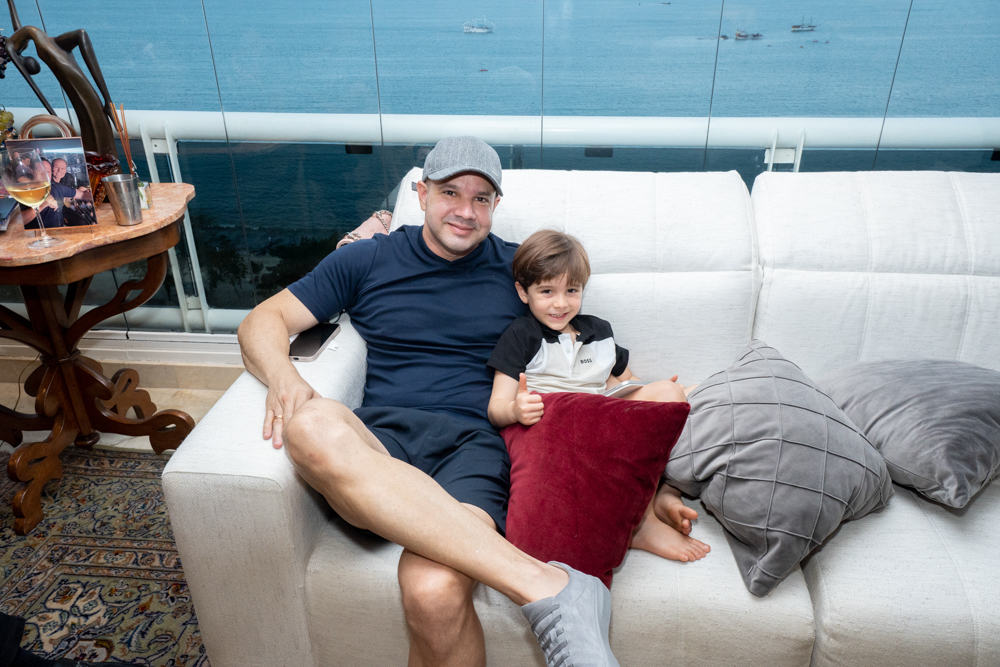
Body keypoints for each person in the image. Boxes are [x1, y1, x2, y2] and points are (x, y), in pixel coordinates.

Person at [237, 136, 619, 667]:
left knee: (433, 591)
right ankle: (548, 586)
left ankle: (557, 591)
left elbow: (585, 355)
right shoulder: (368, 259)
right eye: (450, 193)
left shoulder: (522, 274)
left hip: (475, 447)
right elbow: (263, 320)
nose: (465, 211)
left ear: (496, 205)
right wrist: (283, 377)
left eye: (481, 198)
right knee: (309, 425)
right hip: (384, 440)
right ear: (420, 194)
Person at [486, 229, 711, 563]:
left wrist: (661, 390)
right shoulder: (521, 335)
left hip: (602, 420)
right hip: (555, 427)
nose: (561, 303)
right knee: (666, 396)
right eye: (547, 291)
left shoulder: (599, 331)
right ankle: (642, 521)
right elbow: (495, 408)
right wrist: (516, 409)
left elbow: (627, 382)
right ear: (523, 292)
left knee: (678, 392)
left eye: (571, 290)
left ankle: (663, 495)